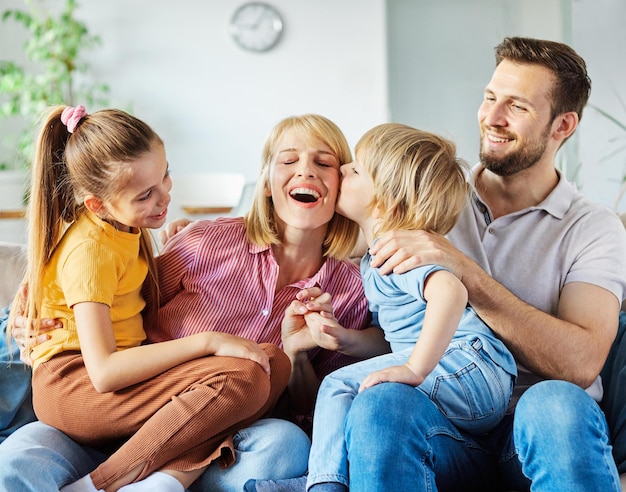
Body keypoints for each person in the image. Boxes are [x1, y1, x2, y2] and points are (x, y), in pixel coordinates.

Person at [0, 113, 388, 491]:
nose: (305, 171)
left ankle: (163, 478)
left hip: (227, 441)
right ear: (267, 182)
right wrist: (25, 315)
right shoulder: (203, 242)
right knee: (19, 459)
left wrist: (298, 354)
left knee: (285, 441)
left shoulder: (352, 292)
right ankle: (142, 479)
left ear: (340, 185)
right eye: (288, 160)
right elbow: (116, 301)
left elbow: (312, 412)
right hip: (124, 403)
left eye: (324, 162)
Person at [337, 36, 626, 491]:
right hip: (443, 421)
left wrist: (464, 270)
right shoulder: (425, 197)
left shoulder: (594, 227)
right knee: (382, 404)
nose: (492, 118)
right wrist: (196, 231)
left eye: (517, 106)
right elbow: (327, 223)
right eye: (490, 97)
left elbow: (581, 363)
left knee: (557, 403)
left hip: (536, 425)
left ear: (562, 125)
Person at [305, 123, 517, 492]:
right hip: (471, 378)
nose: (341, 170)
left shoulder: (399, 250)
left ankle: (323, 485)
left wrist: (415, 368)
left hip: (468, 364)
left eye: (354, 170)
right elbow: (394, 342)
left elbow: (451, 292)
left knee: (337, 385)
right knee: (367, 388)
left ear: (386, 202)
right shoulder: (375, 259)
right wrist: (345, 339)